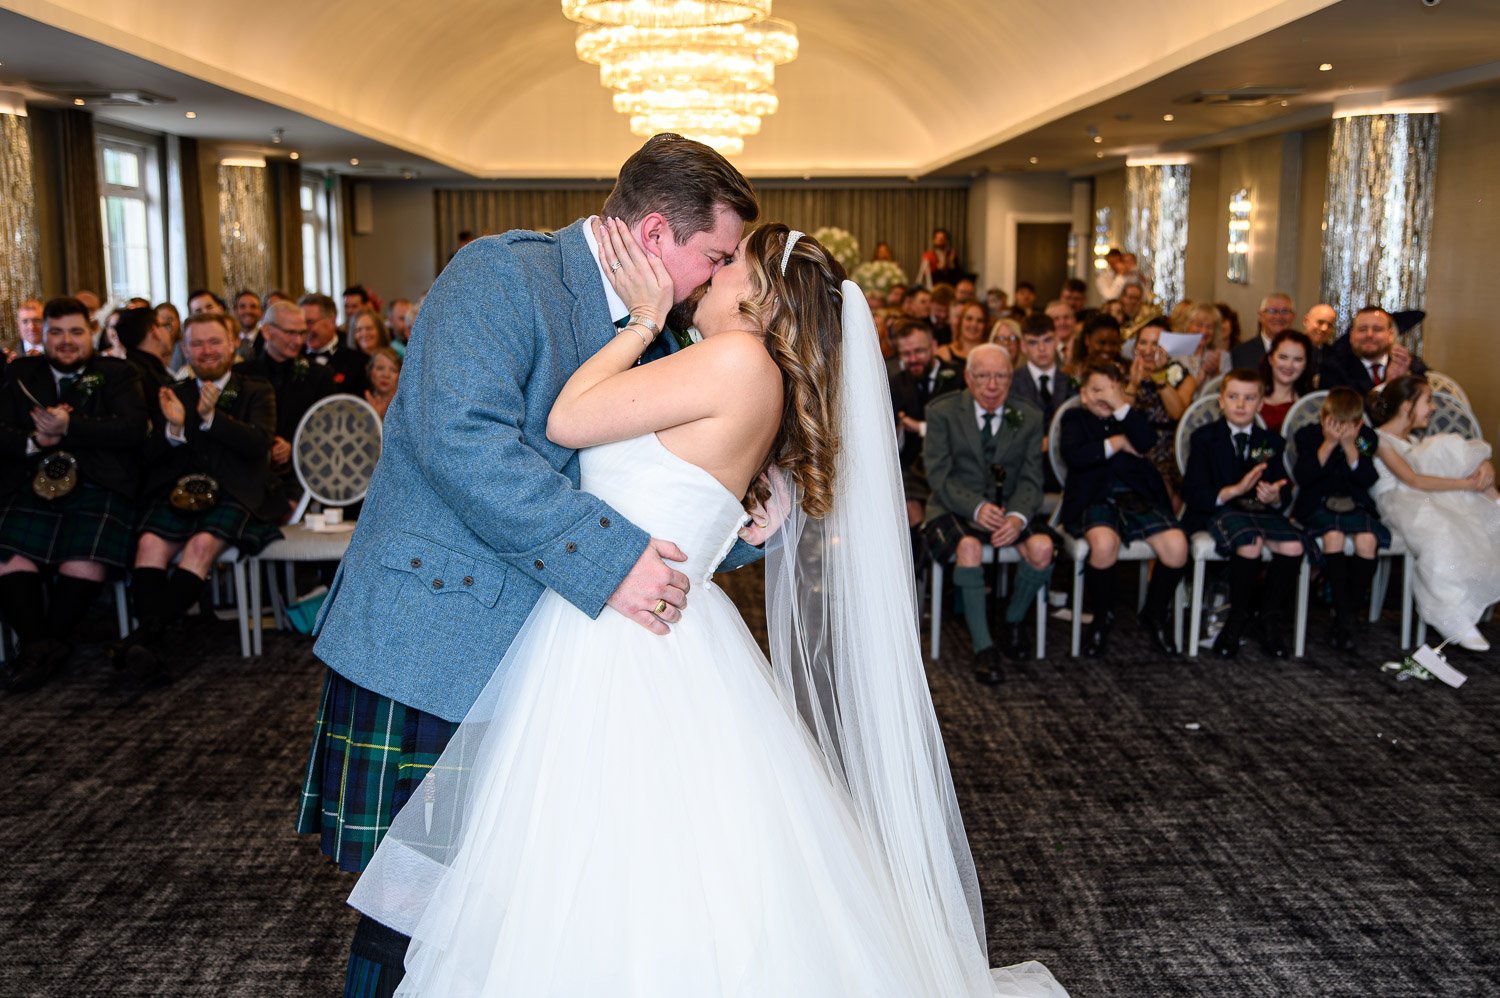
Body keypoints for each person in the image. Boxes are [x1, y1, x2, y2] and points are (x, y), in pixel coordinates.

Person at [348, 220, 1067, 997]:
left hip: (621, 637)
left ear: (757, 293)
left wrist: (645, 321)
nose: (711, 276)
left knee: (601, 851)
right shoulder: (757, 373)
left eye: (728, 265)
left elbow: (566, 421)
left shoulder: (731, 358)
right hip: (648, 620)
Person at [299, 134, 765, 998]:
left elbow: (654, 485)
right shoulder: (503, 277)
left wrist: (743, 527)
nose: (718, 277)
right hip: (444, 634)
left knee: (527, 901)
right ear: (658, 233)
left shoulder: (658, 327)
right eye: (716, 256)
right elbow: (459, 441)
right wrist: (613, 559)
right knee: (414, 899)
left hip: (561, 660)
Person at [111, 314, 282, 680]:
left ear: (233, 342)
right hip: (181, 494)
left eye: (214, 341)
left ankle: (146, 637)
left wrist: (211, 418)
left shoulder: (256, 389)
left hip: (237, 495)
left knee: (201, 547)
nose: (206, 351)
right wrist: (173, 427)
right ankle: (151, 641)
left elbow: (257, 445)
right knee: (149, 544)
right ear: (184, 348)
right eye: (197, 344)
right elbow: (151, 456)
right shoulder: (175, 393)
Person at [0, 297, 146, 691]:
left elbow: (132, 429)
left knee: (86, 556)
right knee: (8, 553)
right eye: (56, 332)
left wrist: (71, 426)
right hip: (30, 483)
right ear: (42, 334)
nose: (66, 341)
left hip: (99, 485)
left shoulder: (118, 372)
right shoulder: (20, 374)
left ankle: (39, 649)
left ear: (92, 333)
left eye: (76, 332)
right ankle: (42, 644)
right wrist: (34, 440)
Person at [922, 344, 1053, 684]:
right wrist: (976, 508)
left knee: (1042, 549)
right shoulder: (943, 412)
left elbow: (1031, 479)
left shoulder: (1029, 416)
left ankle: (1011, 622)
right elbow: (938, 475)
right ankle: (984, 646)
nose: (992, 386)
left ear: (1012, 378)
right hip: (953, 507)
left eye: (1001, 376)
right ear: (968, 377)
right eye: (983, 376)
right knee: (969, 548)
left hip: (1008, 506)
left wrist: (1017, 518)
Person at [1059, 362, 1187, 658]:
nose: (1104, 397)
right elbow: (1076, 455)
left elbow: (1147, 442)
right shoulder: (1075, 418)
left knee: (1177, 547)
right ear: (1084, 395)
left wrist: (1122, 409)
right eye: (1097, 390)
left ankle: (1154, 613)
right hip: (1095, 499)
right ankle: (1103, 617)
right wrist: (1115, 442)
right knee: (1103, 545)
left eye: (1111, 390)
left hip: (1137, 498)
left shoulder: (1130, 417)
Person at [1369, 375, 1500, 652]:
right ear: (1407, 406)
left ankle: (1496, 504)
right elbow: (1413, 480)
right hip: (1399, 502)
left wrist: (1484, 465)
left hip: (1427, 497)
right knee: (1440, 528)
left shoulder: (1418, 442)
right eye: (1428, 401)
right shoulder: (1379, 440)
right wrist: (1467, 483)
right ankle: (1452, 612)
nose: (1433, 408)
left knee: (1447, 448)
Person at [1182, 369, 1304, 658]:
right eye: (1233, 397)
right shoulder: (1205, 438)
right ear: (1221, 401)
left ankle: (1269, 618)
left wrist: (1275, 495)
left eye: (1249, 399)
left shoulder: (1270, 442)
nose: (1240, 404)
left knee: (1294, 544)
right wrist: (1233, 490)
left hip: (1259, 512)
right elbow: (1193, 491)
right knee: (1250, 543)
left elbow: (1282, 487)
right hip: (1220, 509)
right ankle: (1236, 620)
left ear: (1260, 404)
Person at [1291, 388, 1387, 653]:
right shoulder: (1308, 435)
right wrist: (1330, 443)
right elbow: (1305, 476)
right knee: (1333, 537)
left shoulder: (1366, 439)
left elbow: (1367, 478)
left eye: (1348, 424)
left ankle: (1345, 615)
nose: (1342, 429)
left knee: (1367, 541)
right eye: (1335, 422)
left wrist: (1349, 446)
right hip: (1319, 504)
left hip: (1353, 504)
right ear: (1324, 418)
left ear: (1358, 423)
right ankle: (1344, 618)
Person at [237, 301, 337, 511]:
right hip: (250, 471)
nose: (298, 340)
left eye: (302, 333)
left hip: (303, 471)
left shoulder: (319, 376)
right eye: (290, 333)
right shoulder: (242, 375)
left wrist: (294, 446)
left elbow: (328, 429)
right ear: (267, 331)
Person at [889, 319, 962, 533]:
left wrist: (920, 427)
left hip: (954, 464)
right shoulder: (895, 383)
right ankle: (921, 560)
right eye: (906, 354)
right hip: (913, 468)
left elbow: (962, 429)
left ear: (935, 347)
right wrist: (899, 430)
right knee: (908, 504)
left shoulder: (957, 378)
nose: (913, 359)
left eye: (919, 351)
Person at [1125, 317, 1194, 502]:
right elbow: (1120, 415)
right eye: (1143, 343)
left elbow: (1177, 413)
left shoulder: (1181, 375)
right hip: (1131, 446)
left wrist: (1159, 376)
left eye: (1155, 344)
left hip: (1167, 450)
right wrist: (1132, 384)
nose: (1148, 350)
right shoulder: (1123, 373)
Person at [1319, 305, 1427, 399]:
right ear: (1351, 335)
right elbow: (1349, 414)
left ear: (1390, 335)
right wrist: (1389, 385)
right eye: (1362, 329)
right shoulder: (1333, 368)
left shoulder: (1410, 368)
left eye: (1377, 329)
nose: (1369, 335)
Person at [301, 293, 370, 395]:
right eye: (302, 322)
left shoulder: (357, 361)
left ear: (331, 321)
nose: (305, 329)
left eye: (310, 322)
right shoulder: (293, 357)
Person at [1256, 330, 1315, 434]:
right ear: (1271, 359)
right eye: (1283, 357)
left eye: (1298, 359)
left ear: (1306, 364)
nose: (1289, 365)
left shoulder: (1312, 404)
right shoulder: (1249, 396)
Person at [1231, 292, 1296, 369]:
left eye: (1284, 311)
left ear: (1293, 316)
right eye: (1272, 311)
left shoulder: (1308, 353)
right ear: (1260, 316)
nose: (1278, 316)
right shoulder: (1240, 353)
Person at [936, 299, 988, 365]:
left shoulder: (992, 354)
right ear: (960, 322)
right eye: (969, 319)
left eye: (980, 321)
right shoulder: (944, 353)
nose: (974, 325)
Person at [364, 346, 401, 421]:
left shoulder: (409, 406)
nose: (386, 375)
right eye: (380, 368)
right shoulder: (361, 405)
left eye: (393, 370)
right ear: (370, 372)